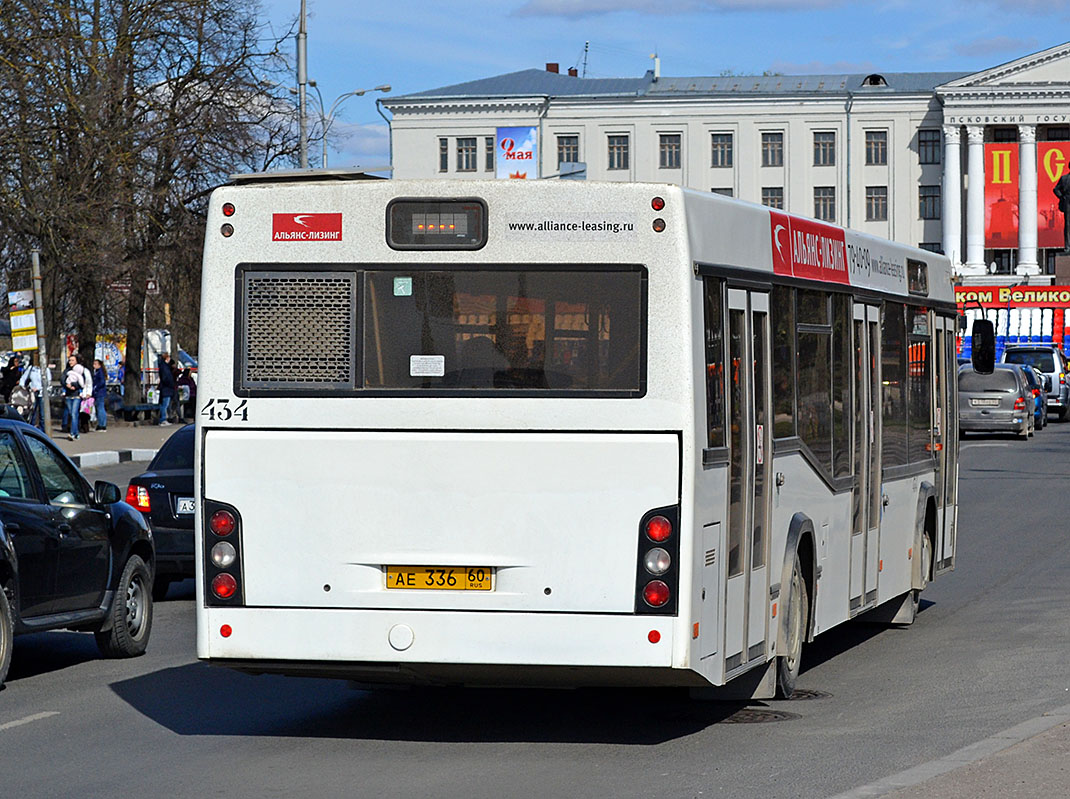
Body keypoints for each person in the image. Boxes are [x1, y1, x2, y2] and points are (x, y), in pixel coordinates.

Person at [18, 360, 52, 432]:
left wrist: (40, 389)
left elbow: (48, 383)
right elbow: (23, 378)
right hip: (32, 394)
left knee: (42, 414)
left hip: (42, 393)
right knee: (31, 412)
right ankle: (31, 430)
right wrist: (23, 387)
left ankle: (43, 431)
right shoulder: (31, 368)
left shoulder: (46, 369)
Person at [62, 354, 86, 440]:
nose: (71, 362)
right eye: (70, 360)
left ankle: (72, 433)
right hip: (68, 395)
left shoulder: (80, 370)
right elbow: (62, 380)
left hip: (76, 395)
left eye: (72, 360)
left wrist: (73, 385)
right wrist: (66, 385)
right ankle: (76, 433)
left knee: (74, 414)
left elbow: (82, 382)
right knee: (71, 414)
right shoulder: (67, 371)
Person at [157, 352, 176, 425]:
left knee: (164, 404)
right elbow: (166, 378)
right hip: (166, 388)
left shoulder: (164, 366)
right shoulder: (165, 367)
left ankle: (163, 419)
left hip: (165, 388)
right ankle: (163, 419)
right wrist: (170, 384)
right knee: (165, 405)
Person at [1055, 171, 1070, 254]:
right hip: (1067, 202)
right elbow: (1056, 189)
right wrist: (1061, 197)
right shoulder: (1064, 178)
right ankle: (1067, 247)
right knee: (1068, 225)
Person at [92, 359, 108, 432]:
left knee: (100, 408)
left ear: (99, 365)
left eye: (95, 364)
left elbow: (102, 382)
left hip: (99, 392)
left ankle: (102, 425)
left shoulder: (100, 372)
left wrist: (96, 387)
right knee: (100, 408)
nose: (94, 365)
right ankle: (101, 424)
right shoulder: (97, 372)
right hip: (99, 392)